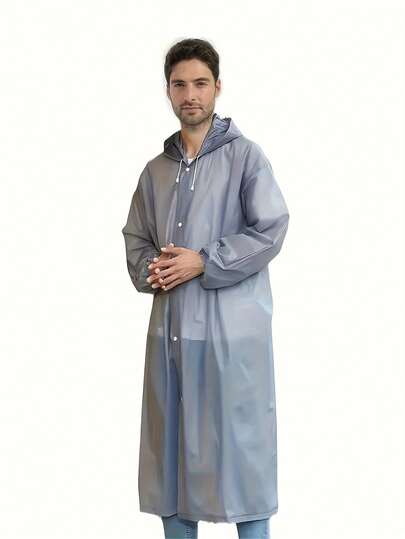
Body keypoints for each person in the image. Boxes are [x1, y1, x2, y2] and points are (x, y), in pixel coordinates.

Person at [121, 38, 289, 539]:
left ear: (217, 87)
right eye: (180, 85)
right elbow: (136, 240)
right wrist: (156, 268)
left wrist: (203, 260)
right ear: (167, 91)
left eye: (200, 83)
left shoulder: (246, 158)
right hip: (171, 339)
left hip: (231, 341)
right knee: (171, 461)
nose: (190, 94)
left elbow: (270, 229)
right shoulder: (155, 171)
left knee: (242, 459)